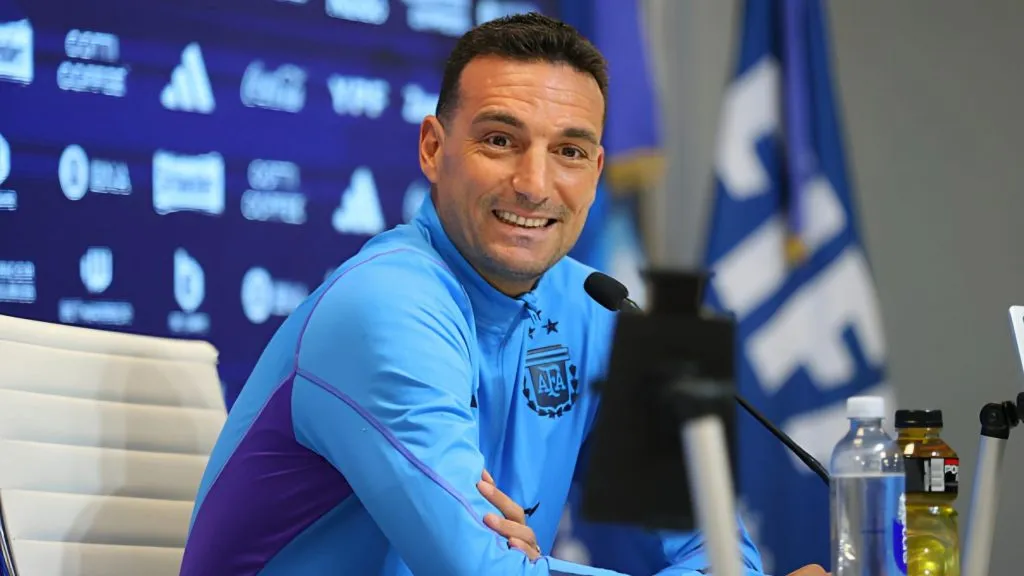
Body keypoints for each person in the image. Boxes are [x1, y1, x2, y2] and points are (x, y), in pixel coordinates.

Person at [180, 12, 828, 576]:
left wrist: (534, 568)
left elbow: (721, 552)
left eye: (569, 151)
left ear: (597, 172)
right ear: (434, 149)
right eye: (500, 140)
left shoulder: (603, 308)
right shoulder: (384, 308)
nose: (535, 184)